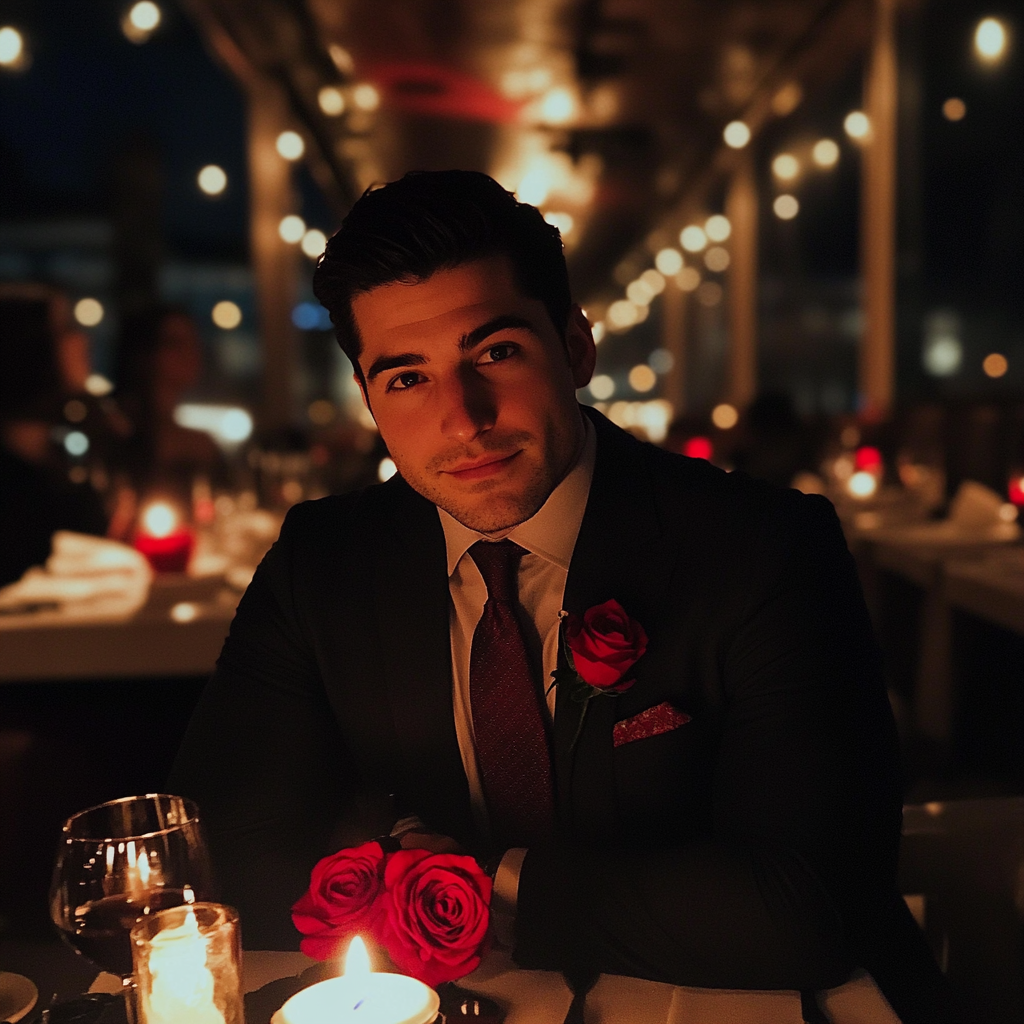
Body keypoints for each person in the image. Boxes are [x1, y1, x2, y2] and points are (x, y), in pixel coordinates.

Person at [170, 171, 958, 1022]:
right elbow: (223, 851)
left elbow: (811, 901)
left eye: (495, 353)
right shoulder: (322, 561)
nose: (463, 419)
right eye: (407, 378)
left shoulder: (763, 547)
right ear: (367, 396)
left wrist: (476, 879)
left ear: (576, 347)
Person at [0, 285, 114, 587]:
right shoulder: (18, 485)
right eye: (65, 329)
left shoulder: (53, 455)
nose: (82, 340)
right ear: (25, 346)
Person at [113, 303, 226, 504]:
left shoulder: (200, 442)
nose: (190, 353)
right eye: (174, 344)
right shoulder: (117, 429)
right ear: (142, 354)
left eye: (193, 342)